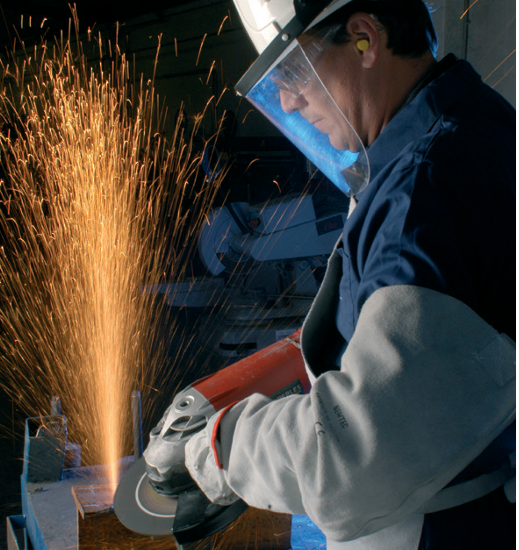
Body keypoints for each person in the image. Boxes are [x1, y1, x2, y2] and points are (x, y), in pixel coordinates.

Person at [181, 0, 516, 548]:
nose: (287, 102)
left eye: (292, 73)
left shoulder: (422, 192)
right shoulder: (476, 126)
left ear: (364, 38)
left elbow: (357, 452)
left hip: (431, 529)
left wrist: (224, 447)